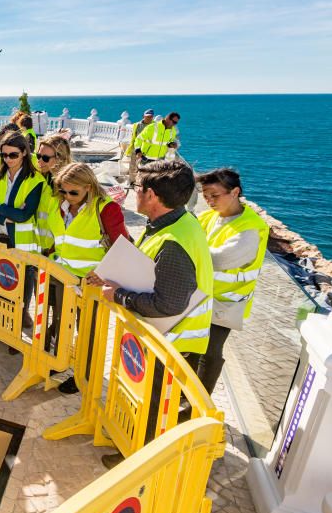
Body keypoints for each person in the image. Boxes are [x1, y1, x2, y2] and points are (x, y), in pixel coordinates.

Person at [89, 160, 213, 468]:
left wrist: (118, 295)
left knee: (155, 408)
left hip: (172, 342)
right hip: (166, 338)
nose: (134, 195)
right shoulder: (176, 223)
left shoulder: (173, 243)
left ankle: (137, 464)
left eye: (137, 189)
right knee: (150, 403)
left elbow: (168, 304)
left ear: (153, 196)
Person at [47, 163, 131, 395]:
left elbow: (123, 248)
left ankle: (84, 373)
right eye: (62, 191)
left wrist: (103, 274)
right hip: (63, 279)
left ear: (89, 187)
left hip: (90, 286)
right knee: (64, 325)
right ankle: (60, 362)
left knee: (88, 332)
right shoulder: (60, 206)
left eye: (73, 192)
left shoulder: (106, 209)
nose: (67, 196)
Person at [195, 168, 269, 395]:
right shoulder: (208, 217)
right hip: (199, 297)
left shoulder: (250, 228)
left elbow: (221, 259)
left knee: (210, 352)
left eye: (214, 195)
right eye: (205, 196)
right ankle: (185, 394)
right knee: (192, 348)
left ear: (235, 192)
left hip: (224, 304)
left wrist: (189, 250)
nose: (209, 201)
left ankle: (197, 403)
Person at [0, 134, 44, 333]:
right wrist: (6, 215)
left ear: (24, 153)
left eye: (13, 155)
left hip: (20, 244)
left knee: (21, 292)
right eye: (4, 154)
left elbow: (24, 215)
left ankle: (15, 332)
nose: (7, 159)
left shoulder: (35, 180)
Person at [35, 135, 73, 254]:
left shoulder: (70, 186)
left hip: (58, 251)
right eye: (38, 156)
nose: (39, 161)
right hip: (39, 248)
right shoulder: (38, 178)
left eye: (45, 158)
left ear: (59, 158)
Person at [124, 109, 156, 183]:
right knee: (133, 166)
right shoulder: (137, 125)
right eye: (147, 117)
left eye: (151, 117)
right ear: (143, 116)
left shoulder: (155, 126)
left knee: (145, 167)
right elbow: (134, 137)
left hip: (148, 150)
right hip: (136, 148)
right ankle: (131, 181)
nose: (149, 118)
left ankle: (142, 182)